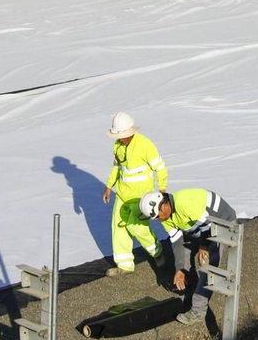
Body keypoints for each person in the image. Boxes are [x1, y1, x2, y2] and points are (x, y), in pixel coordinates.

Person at [139, 188, 239, 325]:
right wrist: (180, 269)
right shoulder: (166, 216)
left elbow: (207, 227)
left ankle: (198, 311)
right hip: (200, 229)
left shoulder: (184, 204)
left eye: (157, 216)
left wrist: (203, 247)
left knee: (207, 267)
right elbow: (177, 241)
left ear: (164, 206)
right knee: (183, 256)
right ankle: (193, 287)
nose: (158, 220)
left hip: (221, 223)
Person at [102, 111, 167, 276]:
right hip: (122, 195)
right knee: (118, 228)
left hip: (140, 197)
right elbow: (117, 167)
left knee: (137, 228)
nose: (121, 138)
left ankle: (157, 251)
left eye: (123, 135)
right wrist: (109, 187)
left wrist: (162, 190)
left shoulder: (145, 145)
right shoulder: (118, 146)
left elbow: (160, 168)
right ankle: (124, 265)